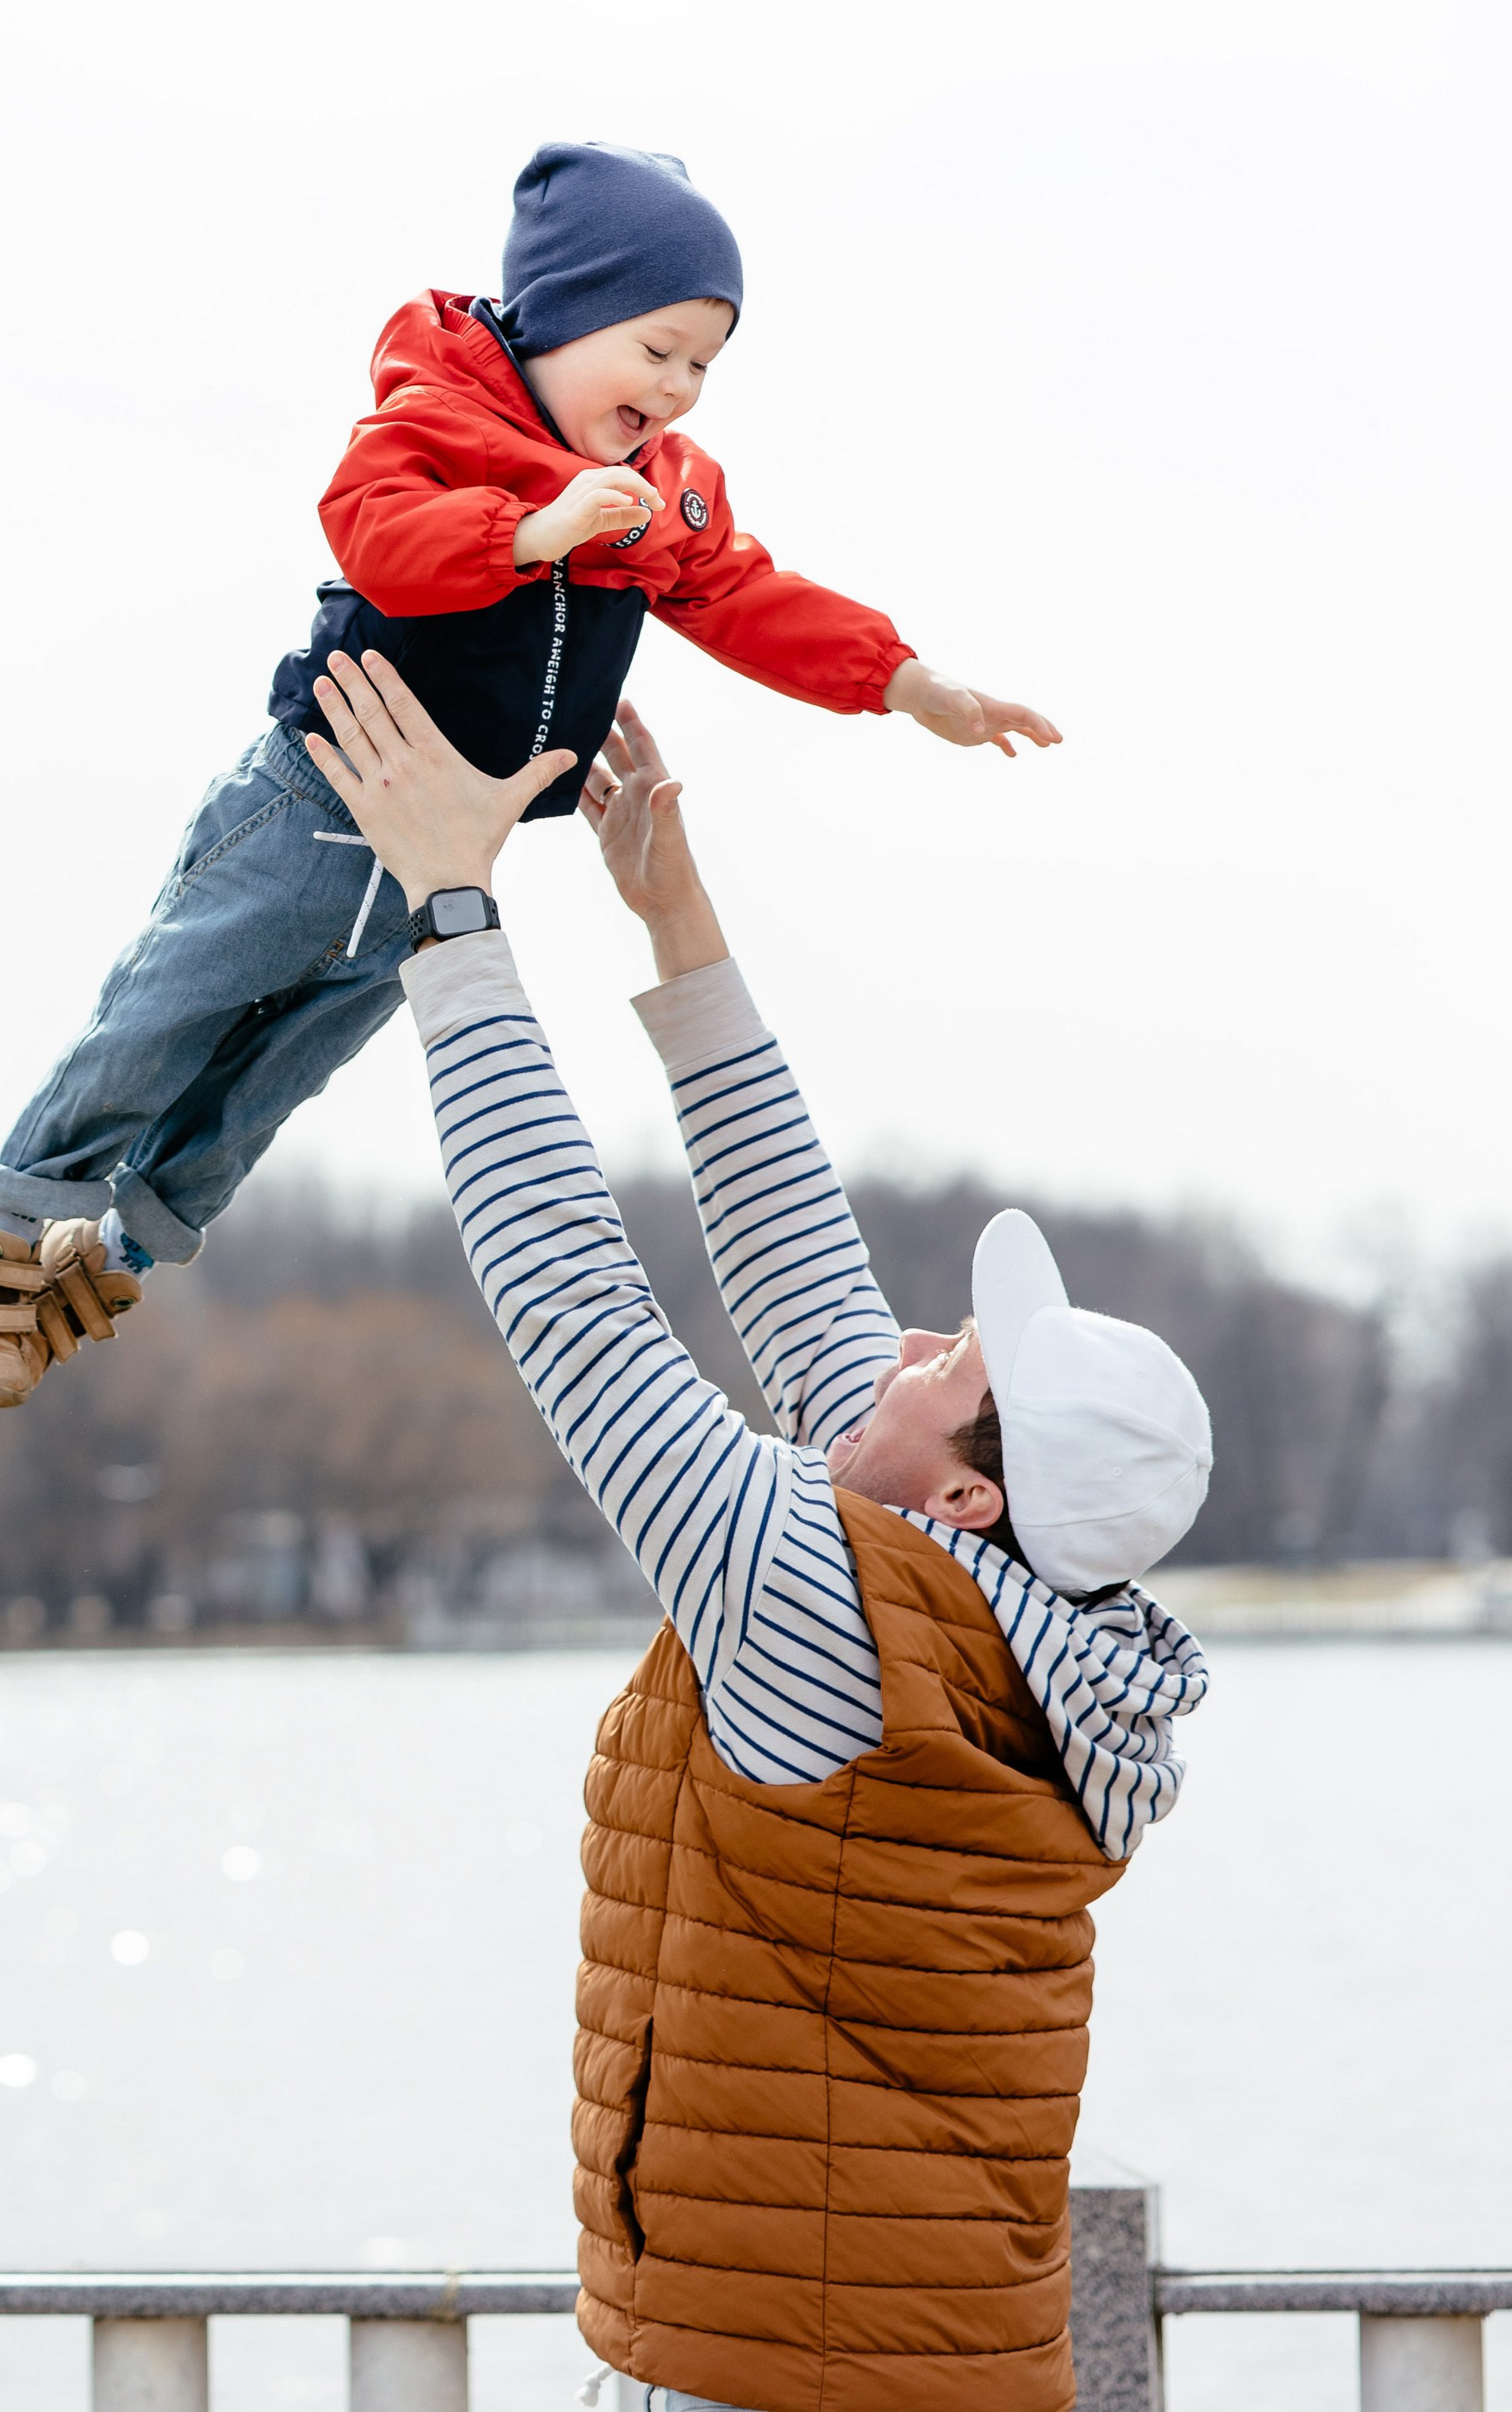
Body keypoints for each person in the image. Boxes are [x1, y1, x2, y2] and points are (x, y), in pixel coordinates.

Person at [299, 648, 1212, 2412]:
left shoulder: (833, 1613)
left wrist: (454, 915)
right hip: (909, 2358)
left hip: (770, 2380)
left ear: (965, 1500)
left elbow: (575, 1303)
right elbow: (811, 1303)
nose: (923, 1337)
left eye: (958, 1366)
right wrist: (680, 929)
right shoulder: (1025, 1650)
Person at [0, 141, 1061, 1408]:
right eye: (658, 349)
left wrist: (904, 682)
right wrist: (532, 531)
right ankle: (13, 1232)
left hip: (445, 862)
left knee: (275, 1075)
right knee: (168, 1015)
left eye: (705, 365)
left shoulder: (659, 498)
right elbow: (377, 533)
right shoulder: (441, 421)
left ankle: (122, 1247)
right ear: (562, 317)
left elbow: (746, 594)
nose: (682, 389)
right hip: (315, 805)